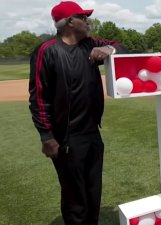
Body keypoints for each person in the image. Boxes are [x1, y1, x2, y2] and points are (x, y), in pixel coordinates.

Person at [28, 1, 125, 224]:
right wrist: (46, 136)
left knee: (93, 190)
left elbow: (123, 47)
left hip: (92, 133)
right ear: (71, 22)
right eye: (83, 17)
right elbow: (39, 97)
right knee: (75, 196)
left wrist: (109, 50)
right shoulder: (47, 50)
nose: (88, 21)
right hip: (66, 137)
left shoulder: (90, 44)